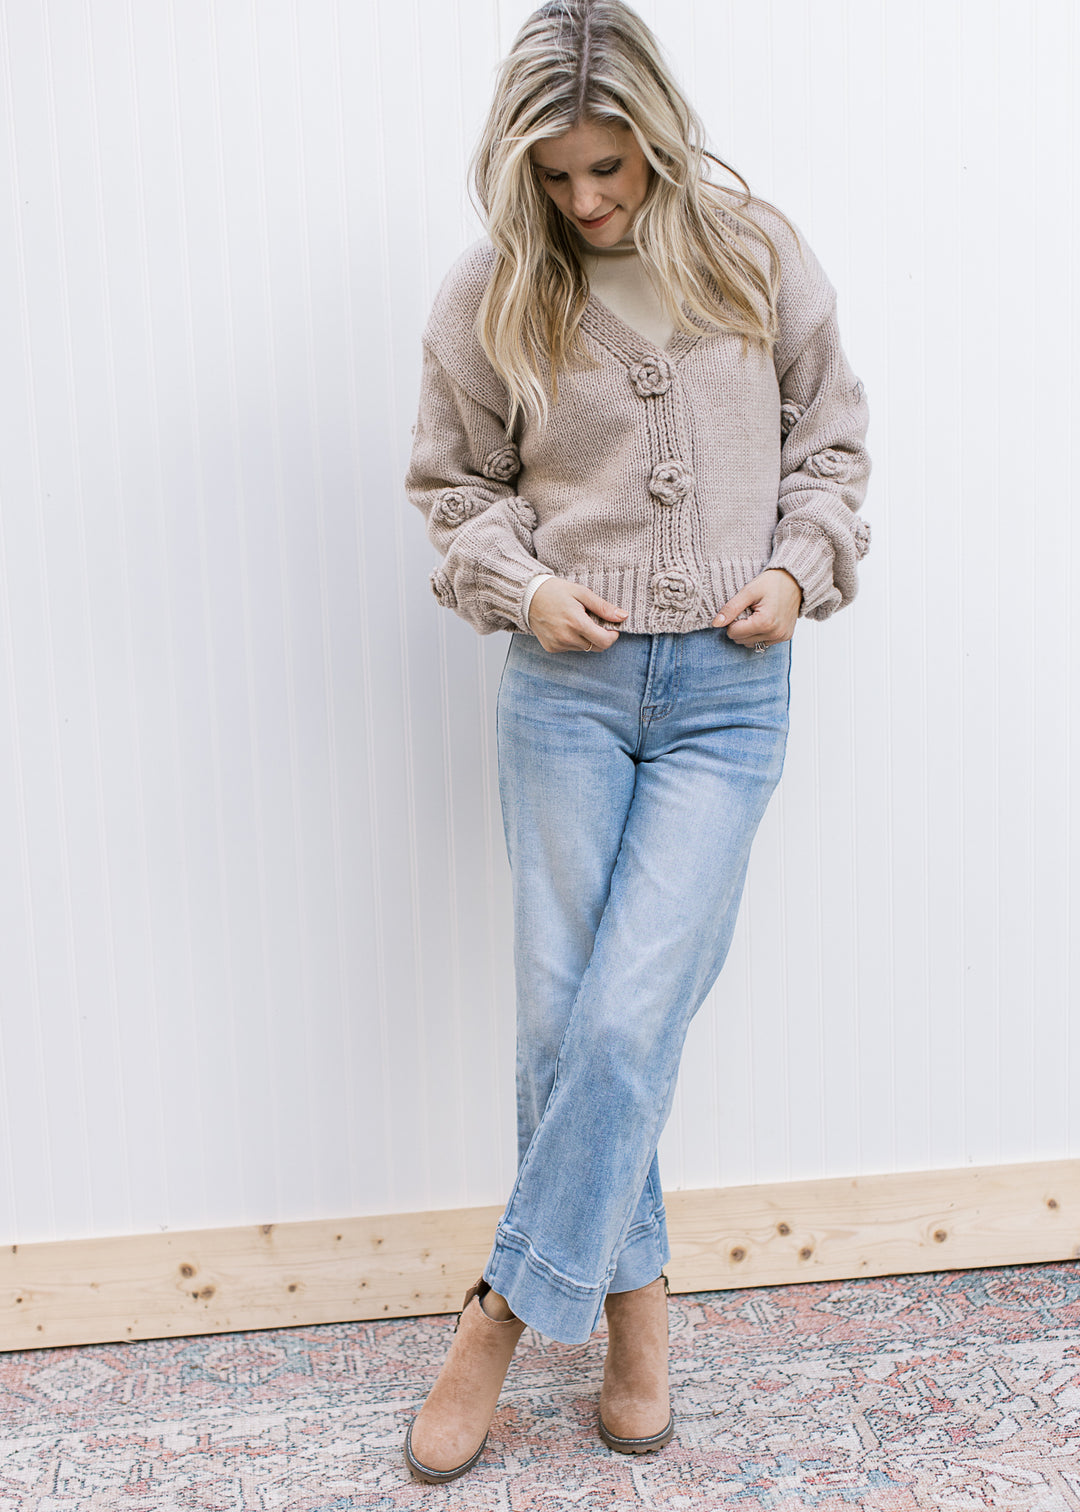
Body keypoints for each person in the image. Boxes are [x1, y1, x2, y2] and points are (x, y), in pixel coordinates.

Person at [401, 0, 870, 1484]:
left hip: (729, 696)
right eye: (555, 177)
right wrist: (526, 586)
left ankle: (494, 1313)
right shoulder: (493, 295)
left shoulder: (756, 254)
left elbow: (835, 444)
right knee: (565, 1025)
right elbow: (449, 488)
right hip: (567, 690)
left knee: (623, 1021)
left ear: (660, 139)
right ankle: (635, 1312)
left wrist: (799, 568)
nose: (588, 201)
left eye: (611, 169)